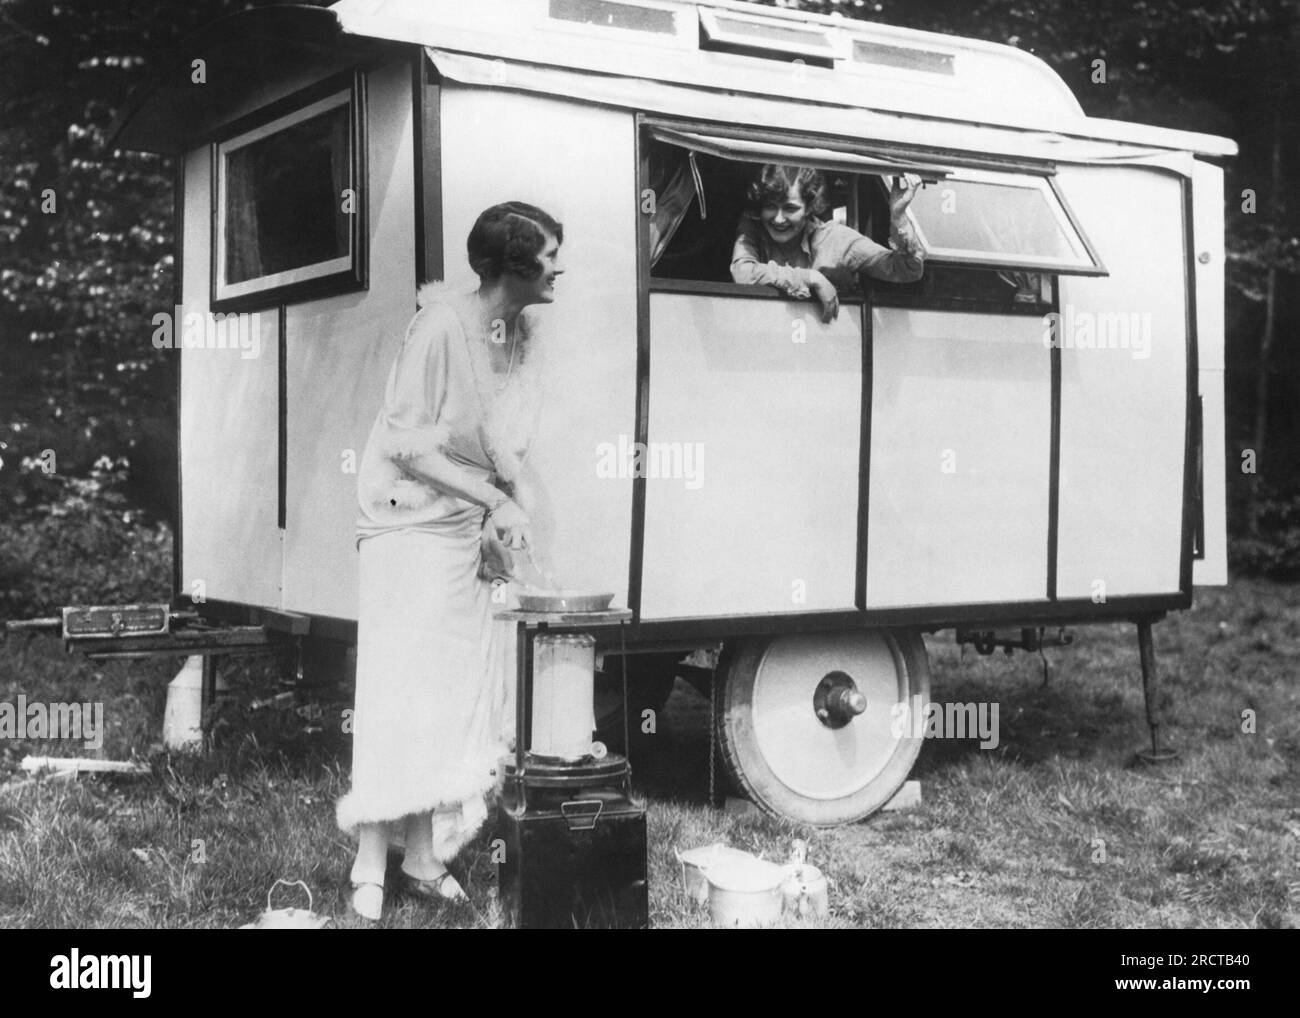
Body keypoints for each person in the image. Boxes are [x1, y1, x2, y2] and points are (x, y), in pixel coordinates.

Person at [336, 201, 563, 922]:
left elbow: (501, 445)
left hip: (462, 526)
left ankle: (424, 854)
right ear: (509, 268)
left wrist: (516, 510)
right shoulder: (438, 327)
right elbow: (407, 443)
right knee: (398, 691)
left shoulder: (521, 333)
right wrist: (495, 503)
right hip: (407, 523)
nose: (561, 266)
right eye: (550, 254)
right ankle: (369, 862)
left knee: (450, 693)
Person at [730, 164, 925, 322]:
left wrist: (899, 217)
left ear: (809, 209)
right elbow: (742, 273)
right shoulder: (752, 226)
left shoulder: (836, 239)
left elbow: (907, 270)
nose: (779, 219)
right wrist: (811, 277)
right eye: (770, 207)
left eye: (790, 209)